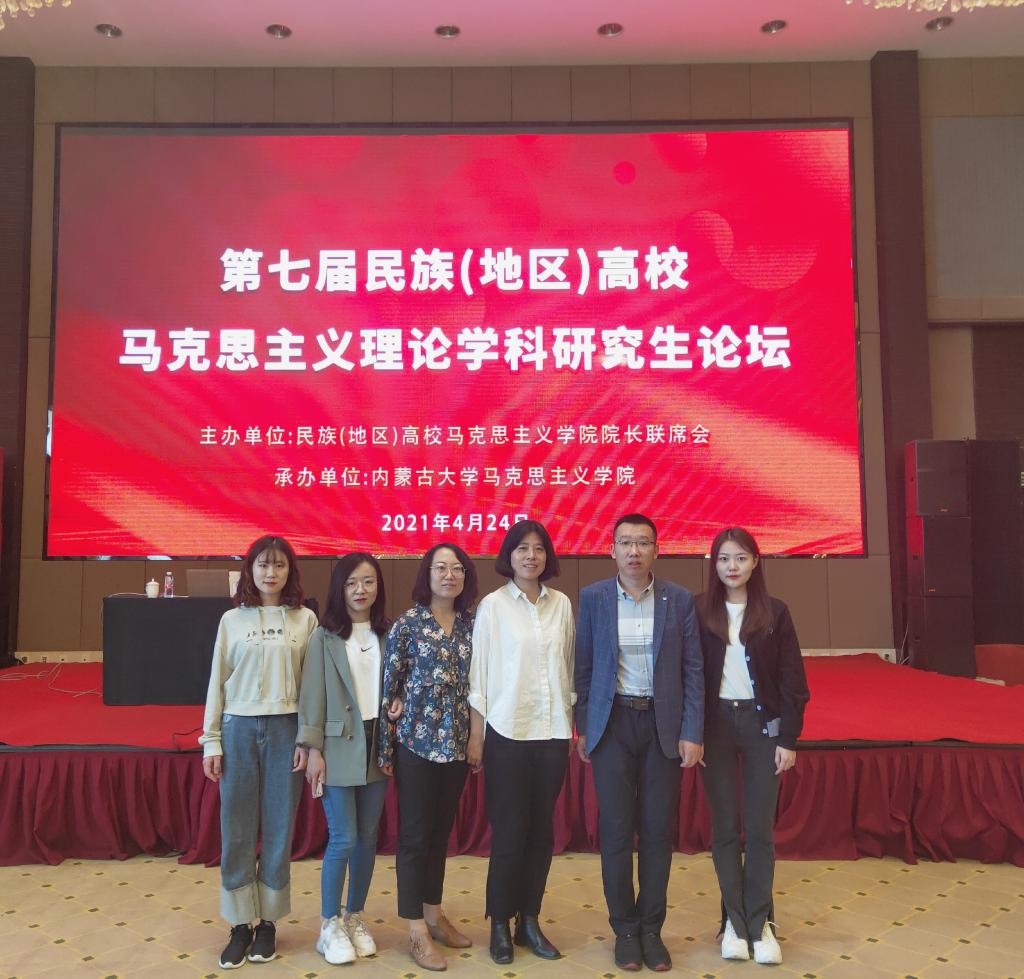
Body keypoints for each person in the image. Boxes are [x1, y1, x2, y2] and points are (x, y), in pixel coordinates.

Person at [575, 513, 704, 972]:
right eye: (625, 543)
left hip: (662, 726)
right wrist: (584, 726)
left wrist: (692, 731)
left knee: (656, 832)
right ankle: (625, 931)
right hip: (611, 725)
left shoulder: (678, 599)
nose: (634, 551)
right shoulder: (593, 597)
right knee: (615, 831)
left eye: (643, 543)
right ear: (611, 550)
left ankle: (652, 928)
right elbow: (583, 668)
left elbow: (693, 670)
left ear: (656, 550)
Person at [200, 535, 318, 969]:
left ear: (290, 572)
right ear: (250, 570)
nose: (271, 573)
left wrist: (308, 740)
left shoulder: (305, 619)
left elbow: (312, 686)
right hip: (239, 729)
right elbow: (217, 680)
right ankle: (239, 923)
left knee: (280, 826)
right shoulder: (232, 620)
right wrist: (211, 739)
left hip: (287, 729)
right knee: (237, 827)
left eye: (279, 565)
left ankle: (268, 922)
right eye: (263, 565)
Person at [695, 527, 809, 965]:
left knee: (760, 830)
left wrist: (788, 738)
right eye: (724, 558)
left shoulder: (775, 612)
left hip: (763, 728)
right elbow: (689, 675)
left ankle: (761, 924)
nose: (732, 567)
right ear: (714, 564)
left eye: (741, 558)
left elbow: (793, 680)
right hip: (716, 728)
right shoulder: (699, 610)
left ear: (755, 562)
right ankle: (733, 923)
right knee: (725, 828)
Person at [468, 519, 575, 965]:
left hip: (552, 734)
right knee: (510, 833)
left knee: (541, 834)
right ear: (508, 556)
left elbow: (568, 667)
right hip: (507, 733)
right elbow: (479, 674)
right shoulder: (493, 606)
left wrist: (572, 724)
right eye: (522, 548)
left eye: (538, 548)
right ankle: (499, 922)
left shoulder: (561, 604)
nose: (531, 556)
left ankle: (528, 920)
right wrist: (476, 735)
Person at [379, 543, 479, 972]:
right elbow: (389, 691)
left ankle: (434, 915)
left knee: (440, 835)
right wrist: (386, 749)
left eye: (457, 569)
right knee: (415, 837)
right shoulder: (407, 625)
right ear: (428, 575)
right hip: (415, 745)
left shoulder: (473, 625)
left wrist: (477, 739)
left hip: (456, 745)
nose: (449, 575)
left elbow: (480, 685)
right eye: (441, 568)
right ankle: (415, 928)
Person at [297, 553, 391, 965]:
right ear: (340, 588)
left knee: (368, 838)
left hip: (377, 745)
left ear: (378, 586)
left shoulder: (388, 633)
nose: (360, 590)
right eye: (351, 582)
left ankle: (355, 917)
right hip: (337, 747)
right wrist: (313, 749)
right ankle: (329, 924)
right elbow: (312, 695)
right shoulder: (325, 636)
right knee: (344, 837)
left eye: (368, 581)